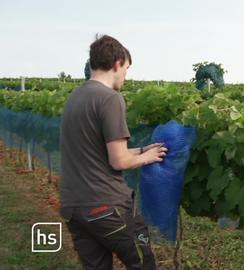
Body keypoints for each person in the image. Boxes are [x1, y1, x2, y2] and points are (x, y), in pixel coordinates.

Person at [59, 34, 167, 270]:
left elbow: (97, 150)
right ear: (117, 63)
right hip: (106, 206)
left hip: (73, 207)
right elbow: (118, 160)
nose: (126, 74)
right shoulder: (110, 99)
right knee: (143, 262)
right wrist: (148, 158)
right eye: (127, 68)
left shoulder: (75, 97)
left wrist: (141, 149)